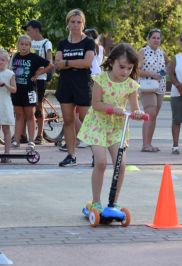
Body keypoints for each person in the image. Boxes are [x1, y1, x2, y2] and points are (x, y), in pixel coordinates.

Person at [77, 43, 144, 212]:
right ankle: (96, 201)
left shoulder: (131, 85)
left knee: (120, 165)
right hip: (98, 124)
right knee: (100, 162)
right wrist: (112, 108)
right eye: (122, 67)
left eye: (129, 68)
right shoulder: (101, 79)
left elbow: (135, 107)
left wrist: (137, 113)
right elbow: (96, 104)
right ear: (112, 62)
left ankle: (113, 202)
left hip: (117, 128)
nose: (125, 72)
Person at [55, 9, 95, 167]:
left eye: (79, 22)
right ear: (68, 23)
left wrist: (67, 62)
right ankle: (71, 156)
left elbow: (87, 63)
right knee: (68, 120)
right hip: (66, 85)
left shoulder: (88, 42)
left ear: (83, 24)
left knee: (86, 120)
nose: (76, 25)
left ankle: (96, 154)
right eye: (73, 21)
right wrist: (72, 63)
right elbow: (57, 65)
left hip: (82, 85)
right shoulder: (62, 43)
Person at [10, 35, 52, 149]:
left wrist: (38, 74)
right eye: (21, 44)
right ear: (18, 45)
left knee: (30, 115)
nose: (24, 46)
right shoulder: (15, 56)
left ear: (30, 46)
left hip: (29, 91)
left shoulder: (34, 57)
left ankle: (31, 141)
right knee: (19, 116)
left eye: (26, 44)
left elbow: (50, 64)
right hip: (17, 91)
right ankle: (16, 141)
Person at [23, 20, 54, 145]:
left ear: (36, 30)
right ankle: (22, 134)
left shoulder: (46, 43)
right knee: (26, 104)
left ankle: (40, 135)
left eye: (29, 29)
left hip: (40, 78)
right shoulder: (29, 43)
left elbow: (49, 62)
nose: (27, 32)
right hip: (29, 78)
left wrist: (38, 74)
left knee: (38, 105)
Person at [138, 29, 168, 152]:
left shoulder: (162, 53)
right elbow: (137, 70)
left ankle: (149, 144)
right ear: (148, 39)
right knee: (150, 113)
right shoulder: (142, 52)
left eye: (158, 38)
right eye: (154, 37)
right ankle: (145, 145)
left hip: (160, 86)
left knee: (154, 115)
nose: (156, 40)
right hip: (147, 85)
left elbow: (167, 64)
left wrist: (163, 71)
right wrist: (152, 74)